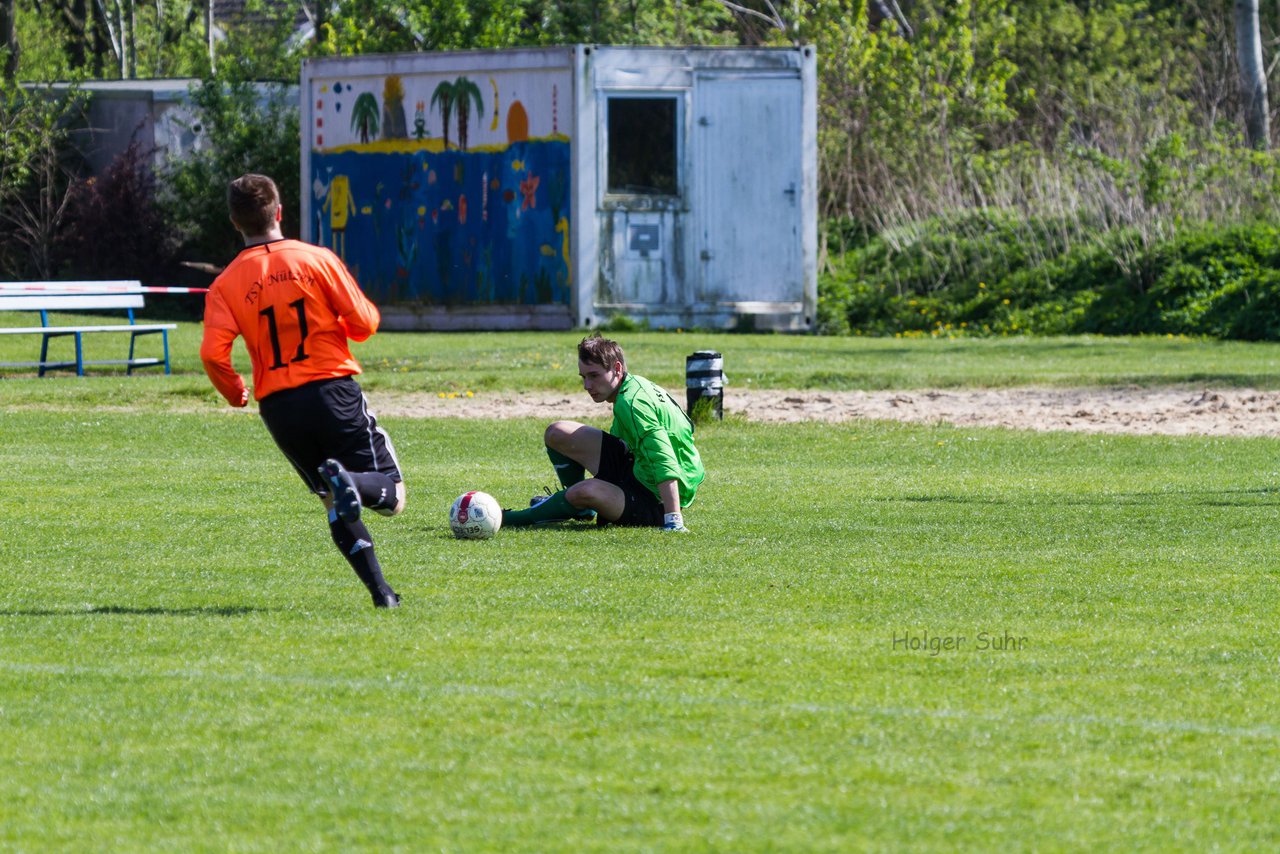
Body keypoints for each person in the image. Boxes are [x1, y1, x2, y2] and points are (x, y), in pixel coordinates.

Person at [200, 173, 407, 609]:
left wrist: (237, 393)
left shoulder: (226, 284)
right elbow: (365, 324)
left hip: (279, 407)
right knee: (392, 495)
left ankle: (382, 593)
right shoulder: (316, 259)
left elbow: (213, 354)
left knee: (333, 500)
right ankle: (352, 481)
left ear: (235, 222)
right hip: (331, 389)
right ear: (278, 212)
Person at [502, 333, 704, 532]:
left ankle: (514, 518)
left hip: (656, 498)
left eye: (594, 376)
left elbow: (663, 457)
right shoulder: (633, 385)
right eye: (583, 377)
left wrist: (673, 518)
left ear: (616, 368)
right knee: (557, 432)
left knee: (585, 491)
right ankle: (582, 511)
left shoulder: (632, 404)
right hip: (637, 467)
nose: (587, 386)